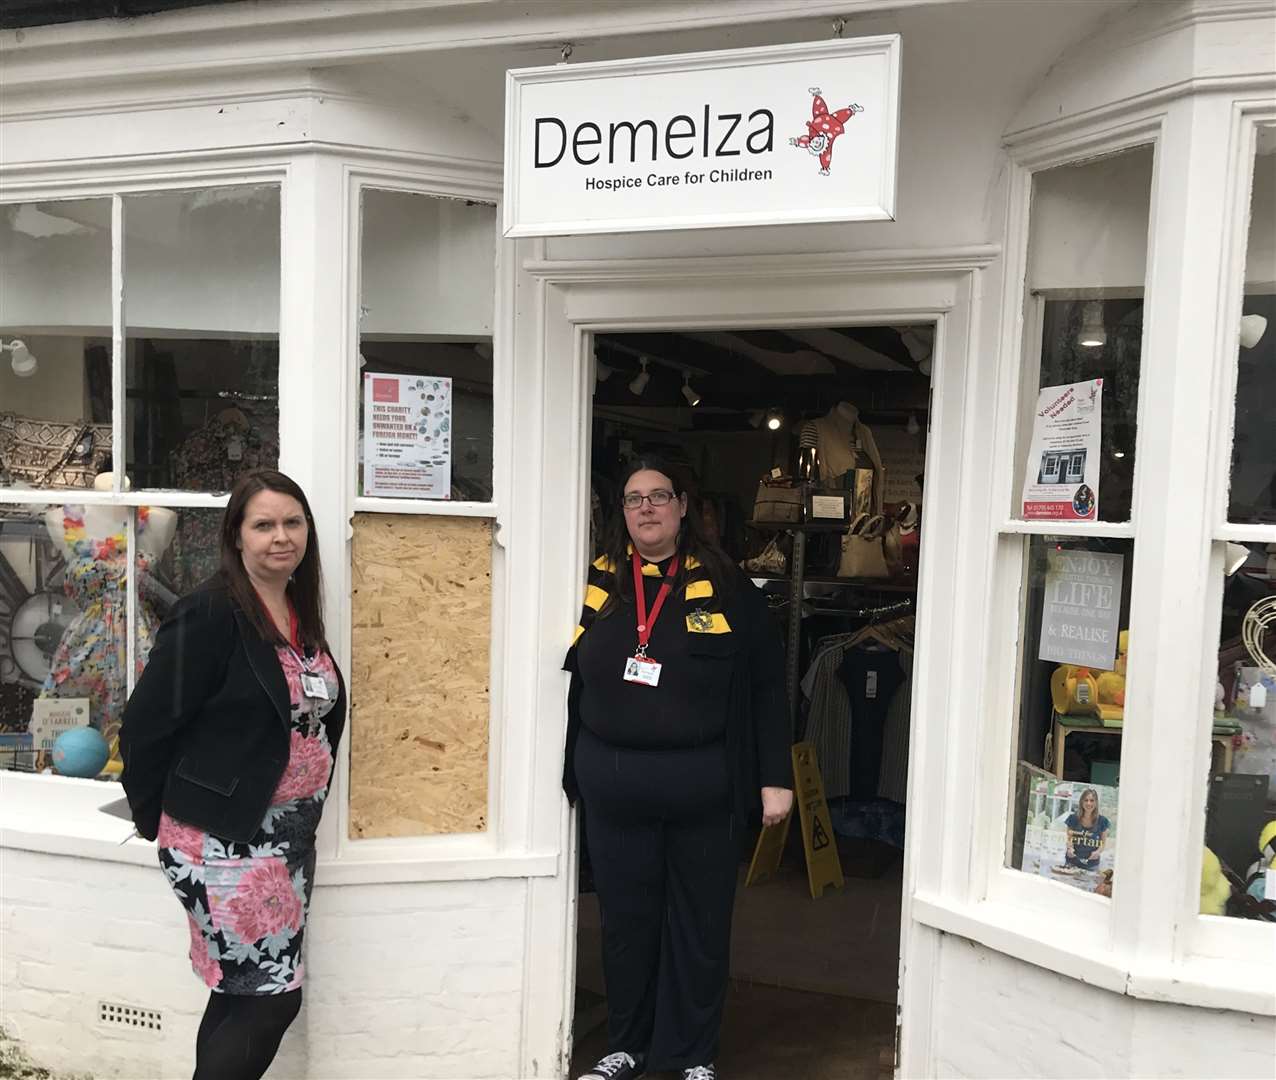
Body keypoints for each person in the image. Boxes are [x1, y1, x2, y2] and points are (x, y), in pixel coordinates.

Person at [564, 456, 794, 1080]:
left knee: (698, 922)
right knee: (625, 921)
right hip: (615, 786)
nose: (646, 508)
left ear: (684, 506)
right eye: (634, 498)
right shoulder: (603, 578)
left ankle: (691, 1054)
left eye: (659, 496)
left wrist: (775, 777)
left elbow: (769, 687)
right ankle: (627, 1044)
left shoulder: (727, 584)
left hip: (703, 785)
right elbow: (577, 679)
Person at [119, 469, 345, 1080]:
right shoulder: (211, 611)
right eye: (264, 524)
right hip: (223, 842)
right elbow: (145, 726)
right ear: (236, 536)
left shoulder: (297, 607)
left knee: (238, 992)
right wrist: (156, 822)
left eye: (292, 523)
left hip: (285, 844)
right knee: (274, 999)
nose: (281, 537)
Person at [1065, 788, 1110, 870]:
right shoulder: (1073, 818)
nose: (1089, 803)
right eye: (1086, 800)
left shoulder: (1103, 821)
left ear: (1096, 803)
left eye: (1092, 800)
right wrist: (1070, 848)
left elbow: (1102, 844)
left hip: (1091, 865)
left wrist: (1097, 852)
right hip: (1071, 863)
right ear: (1082, 802)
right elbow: (1069, 839)